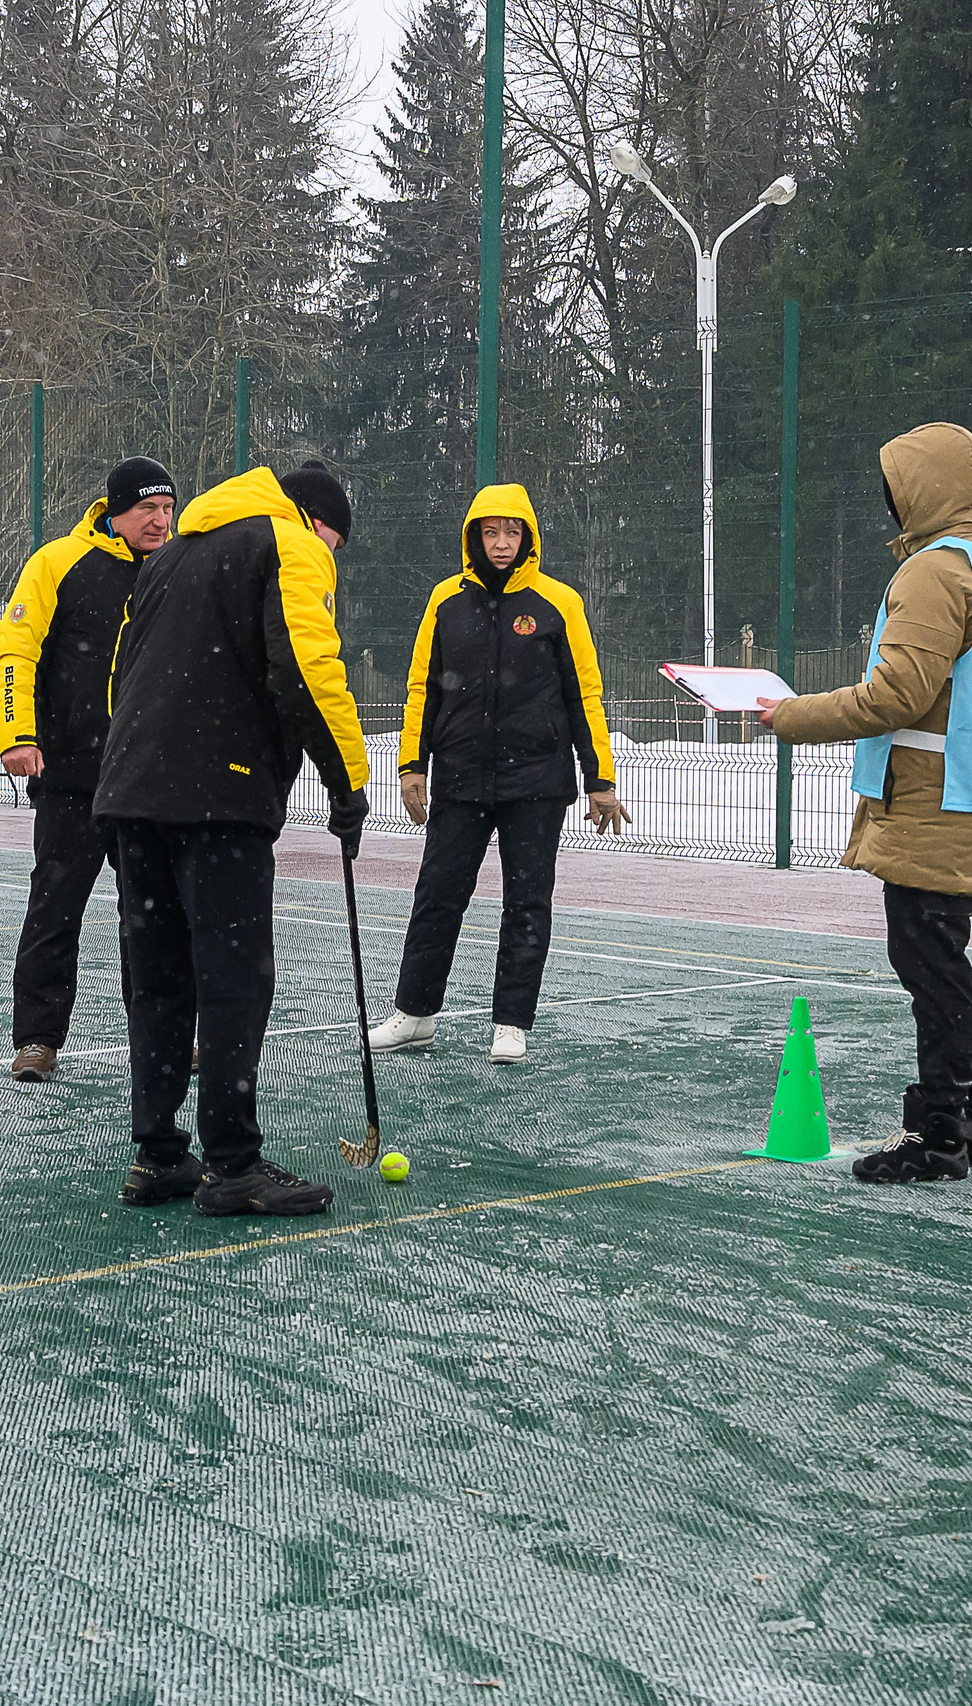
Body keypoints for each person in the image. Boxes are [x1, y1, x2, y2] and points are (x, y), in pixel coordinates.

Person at [93, 459, 371, 1216]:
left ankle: (157, 1155)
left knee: (157, 978)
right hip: (218, 793)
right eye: (336, 545)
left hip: (134, 791)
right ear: (317, 521)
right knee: (232, 979)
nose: (331, 561)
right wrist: (347, 781)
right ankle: (232, 1164)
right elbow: (309, 669)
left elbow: (126, 673)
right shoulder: (285, 541)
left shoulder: (173, 554)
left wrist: (124, 779)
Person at [758, 423, 972, 1184]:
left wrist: (791, 715)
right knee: (938, 955)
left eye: (895, 486)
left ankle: (942, 1130)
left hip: (929, 794)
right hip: (966, 785)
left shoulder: (934, 573)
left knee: (928, 959)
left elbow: (896, 694)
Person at [368, 483, 629, 1064]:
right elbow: (421, 690)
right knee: (437, 896)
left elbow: (584, 694)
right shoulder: (444, 602)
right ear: (474, 537)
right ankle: (414, 1015)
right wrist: (412, 765)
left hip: (536, 784)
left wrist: (601, 779)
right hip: (459, 779)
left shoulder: (560, 603)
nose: (502, 542)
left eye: (512, 532)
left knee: (527, 902)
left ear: (529, 537)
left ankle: (512, 1023)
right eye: (491, 532)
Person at [0, 456, 177, 1082]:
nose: (160, 520)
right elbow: (16, 650)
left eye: (167, 508)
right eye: (147, 509)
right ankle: (37, 1041)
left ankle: (163, 1036)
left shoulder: (176, 571)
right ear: (115, 511)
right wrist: (18, 734)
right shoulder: (57, 562)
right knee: (55, 908)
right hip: (73, 778)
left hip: (148, 781)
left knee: (153, 916)